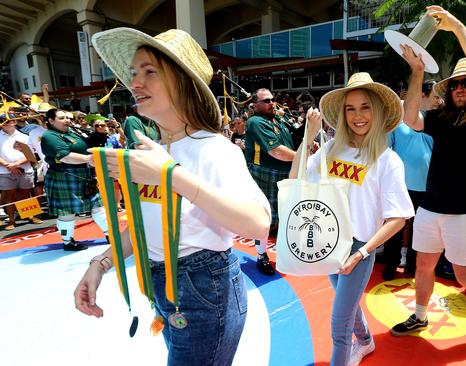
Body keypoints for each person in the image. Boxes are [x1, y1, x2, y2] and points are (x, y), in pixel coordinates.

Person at [73, 28, 270, 366]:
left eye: (150, 72)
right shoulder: (154, 150)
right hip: (166, 289)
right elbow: (144, 225)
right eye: (134, 73)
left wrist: (172, 176)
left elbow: (259, 225)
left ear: (182, 82)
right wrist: (100, 264)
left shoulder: (213, 149)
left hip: (204, 289)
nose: (135, 83)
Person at [393, 5, 466, 348]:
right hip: (431, 208)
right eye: (456, 83)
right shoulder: (444, 117)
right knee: (423, 266)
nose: (461, 87)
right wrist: (416, 70)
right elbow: (411, 117)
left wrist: (457, 28)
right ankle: (420, 315)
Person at [290, 72, 413, 366]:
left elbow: (398, 218)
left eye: (365, 107)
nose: (358, 116)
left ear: (378, 111)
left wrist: (360, 254)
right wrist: (308, 136)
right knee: (348, 302)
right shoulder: (332, 148)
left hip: (359, 246)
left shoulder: (387, 160)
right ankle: (367, 340)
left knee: (339, 322)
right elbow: (296, 178)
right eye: (350, 108)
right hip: (328, 239)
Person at [381, 79, 439, 280]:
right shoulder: (398, 121)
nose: (438, 101)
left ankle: (413, 267)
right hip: (399, 186)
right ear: (422, 95)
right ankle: (390, 264)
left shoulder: (438, 121)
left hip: (428, 187)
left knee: (420, 231)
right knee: (395, 227)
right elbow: (385, 150)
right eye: (435, 96)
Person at [244, 88, 297, 275]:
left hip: (285, 171)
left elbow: (294, 139)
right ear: (255, 105)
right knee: (264, 218)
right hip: (264, 173)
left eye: (272, 99)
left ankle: (285, 253)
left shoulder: (280, 120)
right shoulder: (255, 122)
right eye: (266, 101)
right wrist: (303, 157)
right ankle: (261, 255)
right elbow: (276, 151)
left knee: (286, 217)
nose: (271, 103)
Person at [40, 108, 109, 251]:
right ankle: (67, 242)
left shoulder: (72, 132)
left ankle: (111, 235)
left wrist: (98, 135)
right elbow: (65, 156)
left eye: (67, 117)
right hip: (64, 175)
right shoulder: (49, 136)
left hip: (83, 174)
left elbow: (87, 144)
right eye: (61, 118)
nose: (67, 120)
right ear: (51, 121)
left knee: (98, 207)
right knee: (67, 212)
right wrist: (89, 159)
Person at [0, 115, 42, 229]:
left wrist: (15, 165)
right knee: (10, 196)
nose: (4, 123)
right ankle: (11, 221)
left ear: (13, 122)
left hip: (25, 170)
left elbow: (31, 155)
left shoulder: (24, 137)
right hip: (5, 171)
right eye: (2, 121)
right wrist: (8, 166)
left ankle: (30, 215)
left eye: (7, 121)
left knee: (26, 194)